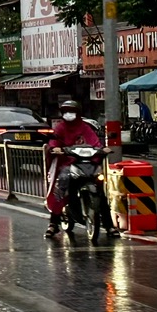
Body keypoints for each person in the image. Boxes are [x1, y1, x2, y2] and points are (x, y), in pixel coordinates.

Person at [44, 98, 110, 239]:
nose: (69, 114)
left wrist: (102, 149)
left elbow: (95, 142)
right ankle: (53, 223)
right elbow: (54, 140)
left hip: (87, 164)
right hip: (68, 164)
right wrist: (55, 148)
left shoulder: (85, 127)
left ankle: (109, 225)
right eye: (66, 112)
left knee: (100, 192)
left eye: (72, 112)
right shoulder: (60, 128)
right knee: (61, 188)